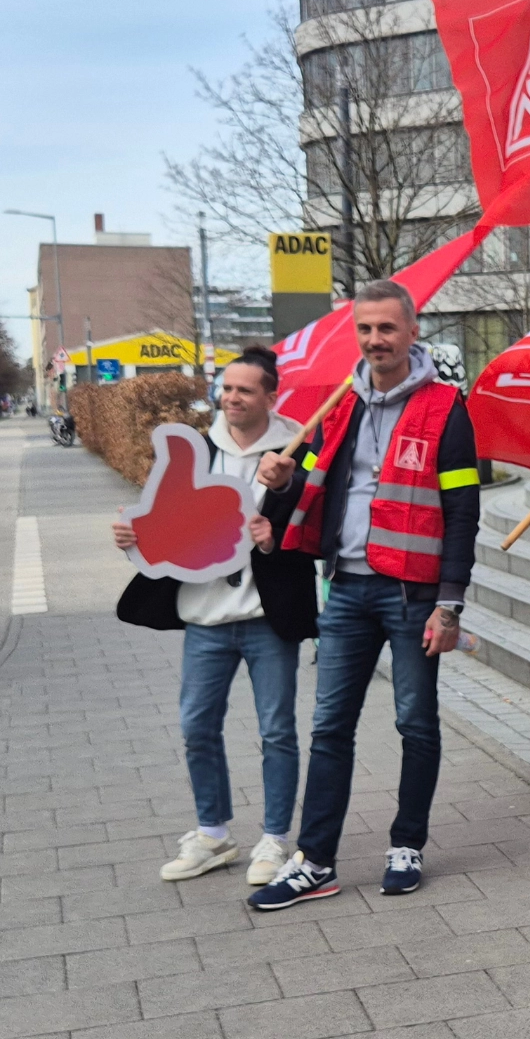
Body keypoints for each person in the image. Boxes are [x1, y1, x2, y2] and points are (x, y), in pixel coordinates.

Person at [249, 279, 480, 910]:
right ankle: (315, 860)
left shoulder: (444, 407)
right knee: (329, 728)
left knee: (415, 723)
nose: (375, 340)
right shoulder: (337, 407)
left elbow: (462, 512)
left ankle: (407, 845)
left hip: (413, 595)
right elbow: (311, 490)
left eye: (386, 328)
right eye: (365, 329)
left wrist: (450, 602)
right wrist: (280, 478)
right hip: (345, 589)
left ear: (412, 331)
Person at [113, 348, 319, 885]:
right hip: (204, 617)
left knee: (277, 731)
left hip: (266, 618)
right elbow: (167, 521)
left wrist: (277, 531)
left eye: (244, 390)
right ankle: (212, 834)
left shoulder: (301, 452)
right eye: (225, 389)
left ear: (271, 398)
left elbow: (320, 529)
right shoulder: (198, 451)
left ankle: (274, 841)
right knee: (196, 727)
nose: (231, 399)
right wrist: (134, 537)